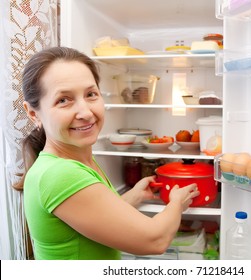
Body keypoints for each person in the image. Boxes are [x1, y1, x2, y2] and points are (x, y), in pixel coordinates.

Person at [14, 46, 200, 260]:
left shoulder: (75, 160)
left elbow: (93, 217)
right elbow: (155, 240)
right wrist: (177, 202)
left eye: (91, 94)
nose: (86, 112)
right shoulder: (60, 174)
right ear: (33, 113)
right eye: (63, 100)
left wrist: (134, 196)